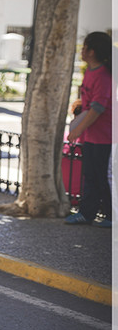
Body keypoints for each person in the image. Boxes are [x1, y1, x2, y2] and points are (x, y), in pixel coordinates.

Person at [65, 31, 112, 227]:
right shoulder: (90, 71)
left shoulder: (103, 76)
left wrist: (76, 130)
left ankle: (111, 216)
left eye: (84, 48)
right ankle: (87, 213)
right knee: (90, 176)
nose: (82, 51)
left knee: (101, 177)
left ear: (92, 51)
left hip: (104, 136)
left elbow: (98, 108)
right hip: (91, 135)